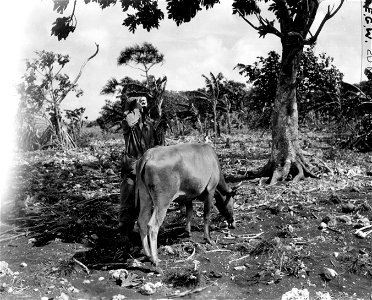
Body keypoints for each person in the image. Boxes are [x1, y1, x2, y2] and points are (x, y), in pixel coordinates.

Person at [113, 85, 160, 241]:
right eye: (140, 103)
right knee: (128, 198)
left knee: (148, 198)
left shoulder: (148, 123)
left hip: (146, 165)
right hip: (132, 164)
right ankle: (124, 232)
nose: (143, 104)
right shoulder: (128, 121)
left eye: (144, 103)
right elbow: (131, 121)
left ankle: (145, 227)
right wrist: (136, 108)